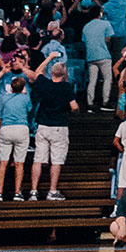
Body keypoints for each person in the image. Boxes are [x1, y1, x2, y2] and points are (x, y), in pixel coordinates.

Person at [27, 61, 79, 201]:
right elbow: (74, 106)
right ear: (64, 74)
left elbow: (37, 72)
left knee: (38, 159)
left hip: (43, 124)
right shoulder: (66, 87)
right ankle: (52, 190)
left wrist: (48, 58)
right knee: (56, 161)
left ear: (52, 72)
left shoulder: (44, 83)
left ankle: (33, 191)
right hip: (59, 126)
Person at [0, 75, 32, 201]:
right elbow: (29, 109)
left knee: (2, 162)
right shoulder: (25, 98)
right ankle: (17, 192)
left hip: (6, 128)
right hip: (21, 128)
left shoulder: (4, 97)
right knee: (19, 163)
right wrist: (24, 94)